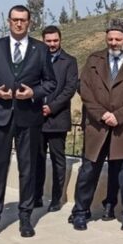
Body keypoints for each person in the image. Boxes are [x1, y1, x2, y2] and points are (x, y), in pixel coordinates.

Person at [0, 5, 57, 241]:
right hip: (0, 117)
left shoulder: (40, 49)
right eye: (14, 20)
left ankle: (25, 217)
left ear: (29, 22)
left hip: (28, 117)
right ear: (8, 21)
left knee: (28, 169)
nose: (18, 24)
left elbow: (50, 83)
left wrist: (34, 92)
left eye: (23, 20)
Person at [70, 18, 123, 231]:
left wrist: (119, 116)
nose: (113, 43)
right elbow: (85, 90)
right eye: (110, 39)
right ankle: (80, 211)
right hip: (98, 126)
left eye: (118, 39)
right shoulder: (94, 60)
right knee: (88, 172)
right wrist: (103, 114)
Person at [35, 25, 78, 212]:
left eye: (55, 41)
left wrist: (51, 107)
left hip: (57, 118)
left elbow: (69, 88)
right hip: (36, 118)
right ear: (43, 41)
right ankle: (36, 196)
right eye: (48, 41)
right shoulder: (35, 60)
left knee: (58, 160)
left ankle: (56, 198)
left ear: (60, 40)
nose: (52, 44)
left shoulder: (69, 61)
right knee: (37, 160)